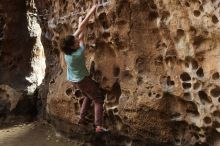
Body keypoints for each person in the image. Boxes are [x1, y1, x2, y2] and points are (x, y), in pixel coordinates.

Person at [59, 4, 108, 133]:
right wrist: (91, 11)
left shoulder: (66, 51)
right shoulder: (79, 53)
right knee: (97, 99)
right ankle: (98, 125)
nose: (76, 41)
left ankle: (81, 117)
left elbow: (79, 32)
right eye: (75, 42)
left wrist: (81, 20)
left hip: (74, 80)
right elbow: (81, 36)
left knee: (87, 95)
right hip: (83, 80)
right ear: (73, 46)